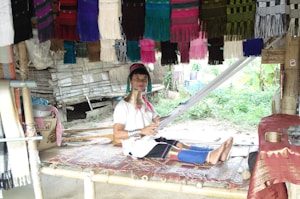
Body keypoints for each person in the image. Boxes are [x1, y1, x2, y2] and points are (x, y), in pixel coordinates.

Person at [113, 63, 233, 165]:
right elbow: (117, 134)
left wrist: (176, 112)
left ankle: (218, 152)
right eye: (137, 79)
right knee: (169, 149)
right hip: (135, 146)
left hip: (149, 139)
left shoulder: (146, 103)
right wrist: (141, 131)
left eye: (144, 79)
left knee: (178, 143)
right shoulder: (123, 106)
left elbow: (157, 120)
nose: (141, 82)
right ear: (130, 81)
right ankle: (209, 157)